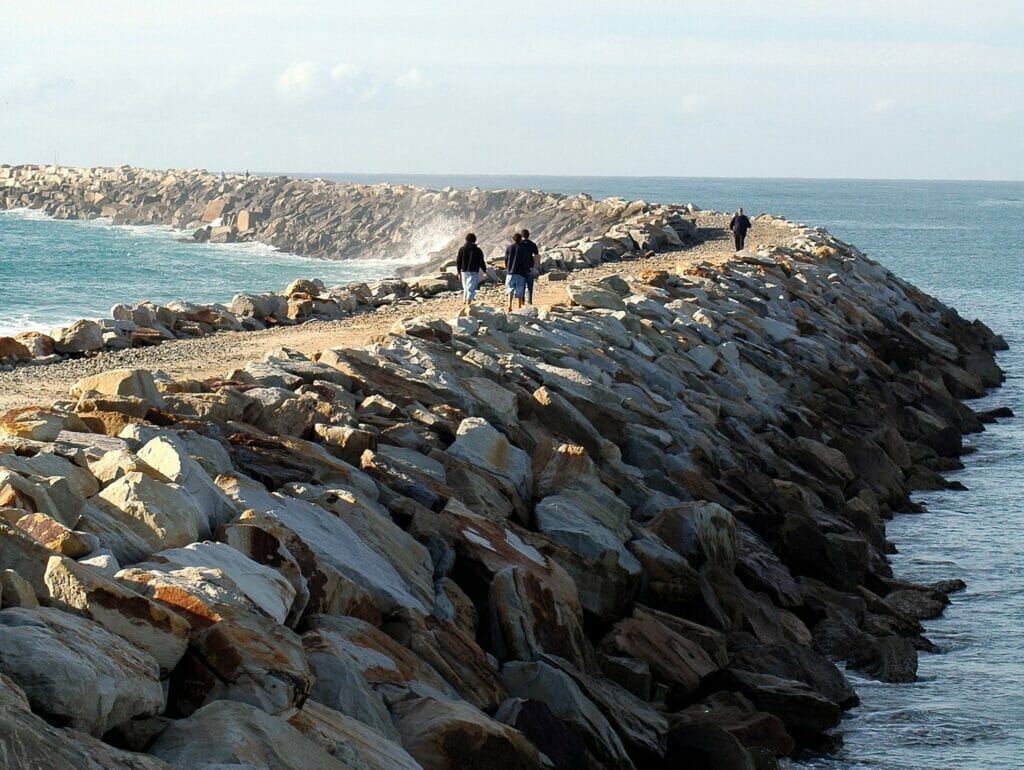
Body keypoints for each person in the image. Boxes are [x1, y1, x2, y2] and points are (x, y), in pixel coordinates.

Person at [456, 232, 487, 305]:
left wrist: (458, 272)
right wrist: (484, 271)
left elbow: (458, 261)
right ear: (474, 240)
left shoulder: (461, 249)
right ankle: (468, 303)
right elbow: (481, 261)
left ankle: (464, 300)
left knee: (465, 287)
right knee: (471, 288)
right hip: (473, 272)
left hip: (464, 271)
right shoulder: (477, 250)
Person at [504, 232, 532, 311]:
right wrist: (527, 270)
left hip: (510, 273)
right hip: (520, 273)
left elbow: (506, 259)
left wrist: (507, 268)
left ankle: (509, 305)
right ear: (521, 239)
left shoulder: (509, 248)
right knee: (520, 290)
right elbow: (525, 261)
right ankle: (519, 306)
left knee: (510, 289)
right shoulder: (523, 249)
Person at [518, 228, 540, 304]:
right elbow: (537, 255)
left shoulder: (519, 244)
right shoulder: (532, 244)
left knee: (522, 285)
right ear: (528, 235)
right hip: (530, 266)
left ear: (521, 235)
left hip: (521, 267)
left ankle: (522, 300)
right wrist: (535, 266)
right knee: (530, 285)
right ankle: (530, 301)